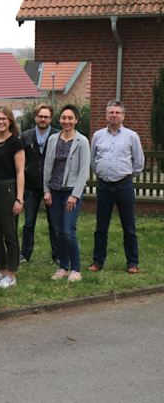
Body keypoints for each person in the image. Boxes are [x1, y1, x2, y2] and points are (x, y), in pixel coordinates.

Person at [90, 99, 145, 274]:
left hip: (124, 186)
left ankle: (132, 263)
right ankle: (98, 261)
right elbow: (93, 160)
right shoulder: (98, 135)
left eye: (117, 113)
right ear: (106, 115)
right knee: (101, 227)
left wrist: (127, 177)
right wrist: (102, 172)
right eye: (111, 112)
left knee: (128, 226)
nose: (114, 115)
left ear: (123, 116)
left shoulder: (131, 136)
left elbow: (139, 163)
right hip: (104, 186)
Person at [43, 105, 90, 282]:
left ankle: (76, 269)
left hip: (71, 193)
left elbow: (84, 170)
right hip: (54, 192)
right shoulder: (53, 139)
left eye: (70, 118)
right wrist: (46, 190)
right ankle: (63, 267)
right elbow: (47, 166)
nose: (66, 121)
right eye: (63, 118)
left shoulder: (82, 141)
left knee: (69, 231)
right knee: (59, 232)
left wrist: (75, 195)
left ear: (76, 120)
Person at [0, 106, 25, 290]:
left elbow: (20, 171)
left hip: (8, 189)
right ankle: (1, 270)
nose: (0, 122)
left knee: (9, 233)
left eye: (4, 119)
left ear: (10, 121)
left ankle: (12, 274)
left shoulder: (15, 142)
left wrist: (19, 198)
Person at [20, 104, 59, 264]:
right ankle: (25, 253)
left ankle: (57, 254)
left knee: (54, 222)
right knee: (29, 222)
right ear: (35, 117)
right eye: (40, 116)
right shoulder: (25, 136)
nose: (43, 119)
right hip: (31, 185)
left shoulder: (57, 135)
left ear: (51, 118)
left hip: (52, 186)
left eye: (46, 117)